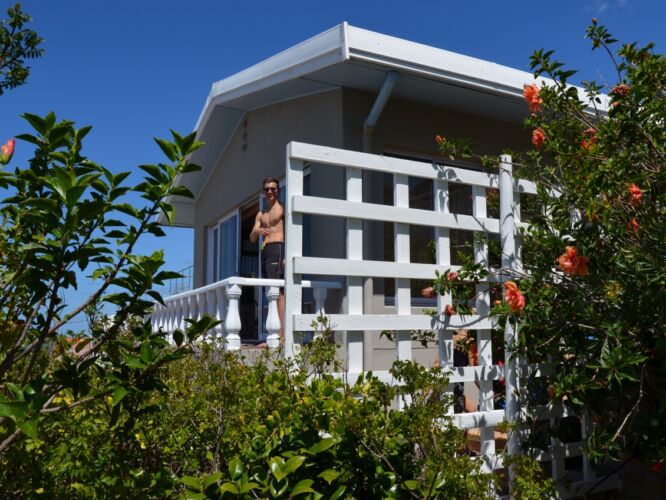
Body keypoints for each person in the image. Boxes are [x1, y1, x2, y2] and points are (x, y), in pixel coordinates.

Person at [250, 177, 285, 341]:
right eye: (267, 189)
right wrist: (256, 232)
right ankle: (274, 334)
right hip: (265, 251)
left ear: (278, 190)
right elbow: (252, 239)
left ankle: (281, 336)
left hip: (279, 249)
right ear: (263, 192)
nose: (270, 191)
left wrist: (286, 256)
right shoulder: (261, 214)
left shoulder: (283, 208)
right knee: (270, 292)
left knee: (278, 293)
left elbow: (292, 231)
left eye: (273, 188)